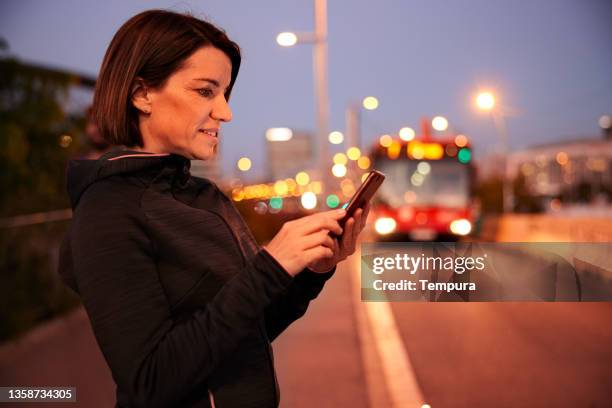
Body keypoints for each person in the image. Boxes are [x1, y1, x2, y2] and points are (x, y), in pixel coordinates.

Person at [58, 9, 368, 408]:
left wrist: (311, 272)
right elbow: (149, 382)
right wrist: (270, 266)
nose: (225, 112)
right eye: (205, 91)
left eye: (225, 93)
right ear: (141, 94)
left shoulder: (205, 196)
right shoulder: (108, 210)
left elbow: (247, 330)